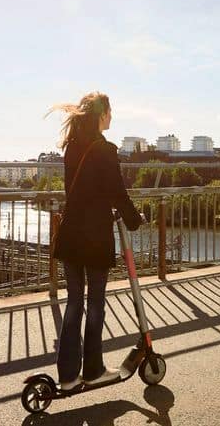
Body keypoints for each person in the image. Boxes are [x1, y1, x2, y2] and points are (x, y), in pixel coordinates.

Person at [48, 91, 143, 391]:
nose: (112, 117)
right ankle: (93, 370)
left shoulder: (72, 148)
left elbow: (78, 191)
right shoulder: (105, 149)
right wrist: (134, 219)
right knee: (96, 303)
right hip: (95, 236)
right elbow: (117, 191)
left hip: (71, 233)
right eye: (110, 111)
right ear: (101, 114)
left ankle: (66, 377)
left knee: (74, 303)